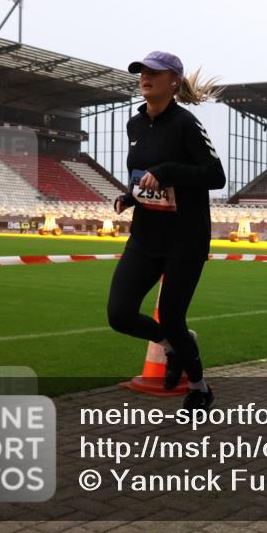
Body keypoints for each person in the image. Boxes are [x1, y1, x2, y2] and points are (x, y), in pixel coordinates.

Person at [107, 51, 225, 411]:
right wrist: (131, 196)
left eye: (154, 73)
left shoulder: (186, 124)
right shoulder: (135, 125)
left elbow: (215, 176)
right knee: (120, 315)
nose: (145, 77)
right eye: (141, 71)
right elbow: (145, 175)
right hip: (145, 236)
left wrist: (169, 169)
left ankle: (200, 388)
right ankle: (174, 346)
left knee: (172, 316)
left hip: (184, 240)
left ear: (174, 81)